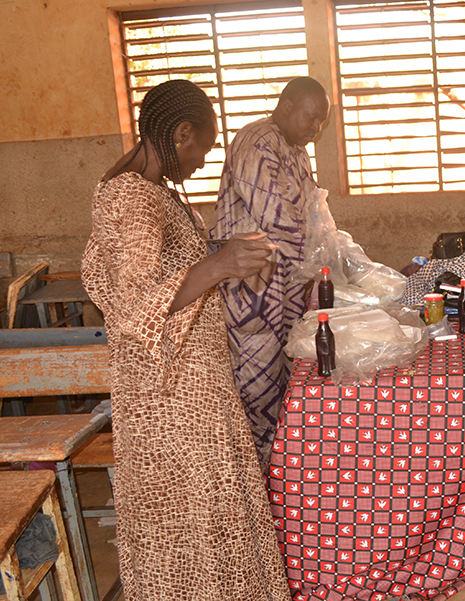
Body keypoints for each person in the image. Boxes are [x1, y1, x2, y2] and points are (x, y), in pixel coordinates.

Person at [81, 79, 291, 601]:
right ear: (180, 134)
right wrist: (219, 264)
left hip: (195, 389)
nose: (204, 159)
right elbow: (134, 303)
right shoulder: (128, 196)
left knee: (213, 520)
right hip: (169, 401)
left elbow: (170, 268)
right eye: (204, 145)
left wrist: (223, 252)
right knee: (185, 527)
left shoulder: (157, 194)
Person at [212, 76, 331, 466]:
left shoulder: (296, 151)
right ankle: (256, 493)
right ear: (286, 105)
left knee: (284, 393)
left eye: (321, 125)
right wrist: (327, 261)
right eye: (311, 119)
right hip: (253, 295)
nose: (315, 130)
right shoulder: (257, 141)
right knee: (256, 394)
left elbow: (314, 215)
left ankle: (278, 487)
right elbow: (277, 218)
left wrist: (330, 251)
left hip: (287, 294)